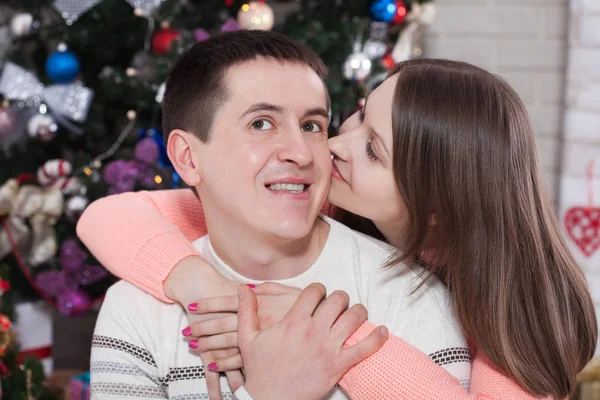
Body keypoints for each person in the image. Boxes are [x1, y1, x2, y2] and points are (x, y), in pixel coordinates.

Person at [80, 50, 597, 400]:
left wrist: (339, 341)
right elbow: (109, 215)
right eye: (356, 115)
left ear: (433, 204)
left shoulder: (499, 318)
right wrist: (204, 284)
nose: (327, 145)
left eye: (372, 149)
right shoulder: (317, 206)